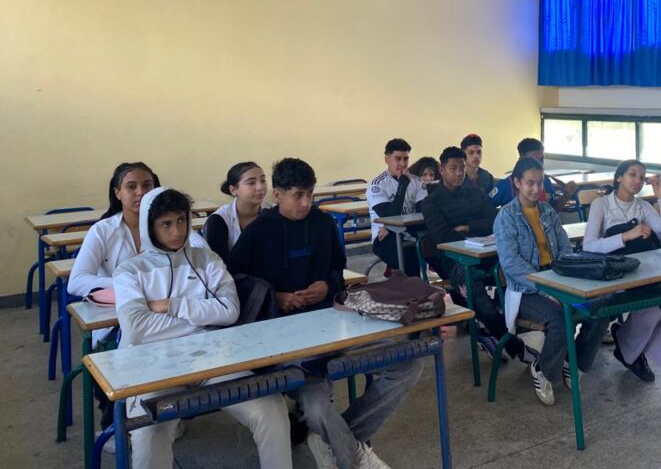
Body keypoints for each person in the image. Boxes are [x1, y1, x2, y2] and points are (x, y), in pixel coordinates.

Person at [228, 158, 419, 469]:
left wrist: (326, 285)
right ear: (278, 195)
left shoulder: (323, 224)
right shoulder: (258, 232)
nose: (306, 203)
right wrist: (275, 297)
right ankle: (354, 456)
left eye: (310, 194)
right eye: (297, 195)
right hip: (286, 339)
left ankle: (334, 441)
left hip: (333, 324)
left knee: (408, 363)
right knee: (316, 409)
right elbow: (235, 283)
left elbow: (337, 270)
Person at [114, 187, 291, 469]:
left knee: (271, 407)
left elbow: (230, 311)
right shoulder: (129, 271)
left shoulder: (207, 260)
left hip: (211, 361)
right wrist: (204, 319)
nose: (177, 231)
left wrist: (171, 306)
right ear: (150, 227)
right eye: (166, 224)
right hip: (152, 369)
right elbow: (137, 328)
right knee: (151, 432)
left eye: (181, 220)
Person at [69, 162, 206, 441]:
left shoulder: (172, 225)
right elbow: (77, 281)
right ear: (117, 192)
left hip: (166, 316)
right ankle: (116, 421)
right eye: (131, 187)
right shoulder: (103, 230)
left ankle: (170, 411)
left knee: (186, 349)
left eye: (147, 185)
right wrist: (133, 287)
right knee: (120, 357)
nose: (140, 192)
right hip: (118, 319)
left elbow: (204, 259)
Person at [493, 157, 605, 405]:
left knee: (599, 308)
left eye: (540, 183)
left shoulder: (547, 211)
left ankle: (573, 362)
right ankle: (543, 369)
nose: (536, 189)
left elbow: (564, 248)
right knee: (560, 320)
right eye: (529, 183)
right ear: (517, 183)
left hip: (558, 280)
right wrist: (546, 288)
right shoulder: (506, 217)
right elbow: (511, 264)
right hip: (526, 290)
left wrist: (564, 280)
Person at [421, 146, 537, 364]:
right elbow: (444, 237)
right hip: (455, 260)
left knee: (519, 268)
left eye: (462, 168)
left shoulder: (475, 193)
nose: (459, 173)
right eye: (453, 168)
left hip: (488, 254)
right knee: (475, 290)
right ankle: (515, 347)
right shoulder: (431, 202)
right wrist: (478, 229)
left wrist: (468, 227)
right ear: (442, 170)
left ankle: (493, 326)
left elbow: (496, 221)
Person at [583, 160, 661, 383]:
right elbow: (589, 246)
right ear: (619, 177)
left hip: (647, 274)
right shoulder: (601, 205)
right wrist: (626, 236)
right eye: (632, 174)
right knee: (650, 312)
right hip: (616, 276)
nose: (637, 181)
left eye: (642, 177)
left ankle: (633, 350)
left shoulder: (643, 207)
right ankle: (632, 352)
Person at [366, 139, 427, 277]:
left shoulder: (418, 182)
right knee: (407, 257)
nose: (403, 164)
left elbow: (422, 213)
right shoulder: (377, 185)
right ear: (387, 159)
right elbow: (389, 217)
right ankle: (407, 287)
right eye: (398, 159)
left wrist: (390, 226)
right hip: (384, 236)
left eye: (406, 159)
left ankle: (455, 284)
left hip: (410, 230)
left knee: (436, 249)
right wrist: (402, 185)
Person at [489, 138, 578, 211]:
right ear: (521, 160)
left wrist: (566, 195)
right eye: (534, 160)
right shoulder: (506, 185)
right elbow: (486, 209)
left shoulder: (545, 181)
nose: (539, 164)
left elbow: (553, 209)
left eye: (541, 159)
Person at [204, 161, 269, 261]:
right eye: (251, 183)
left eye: (263, 180)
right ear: (233, 190)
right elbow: (220, 264)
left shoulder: (274, 212)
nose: (260, 187)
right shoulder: (218, 220)